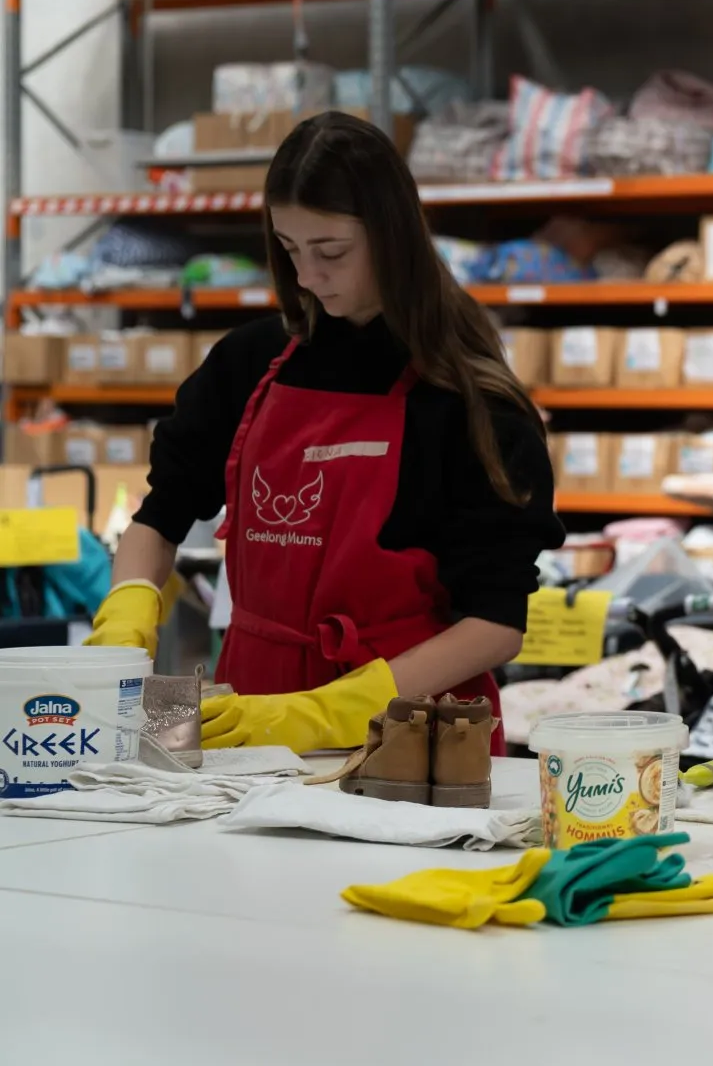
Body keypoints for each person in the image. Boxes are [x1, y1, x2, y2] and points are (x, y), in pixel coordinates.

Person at [86, 112, 563, 753]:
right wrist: (129, 610)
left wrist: (332, 711)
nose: (308, 276)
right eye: (289, 249)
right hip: (251, 704)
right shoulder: (248, 363)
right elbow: (160, 515)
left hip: (412, 725)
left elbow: (496, 624)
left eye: (330, 251)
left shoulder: (471, 402)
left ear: (393, 236)